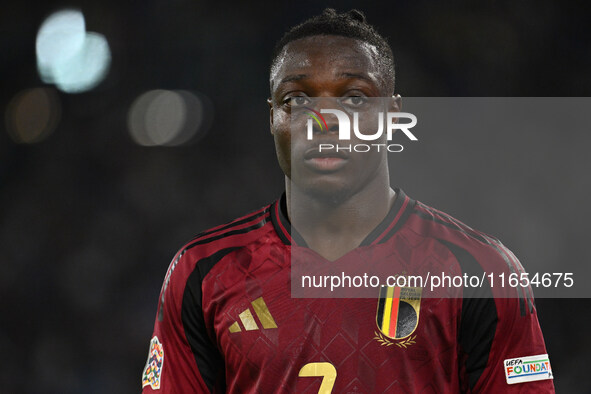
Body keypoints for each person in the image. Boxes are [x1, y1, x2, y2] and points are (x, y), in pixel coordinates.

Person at [141, 9, 554, 393]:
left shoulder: (479, 269)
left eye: (354, 98)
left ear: (393, 117)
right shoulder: (203, 272)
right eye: (297, 100)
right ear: (272, 119)